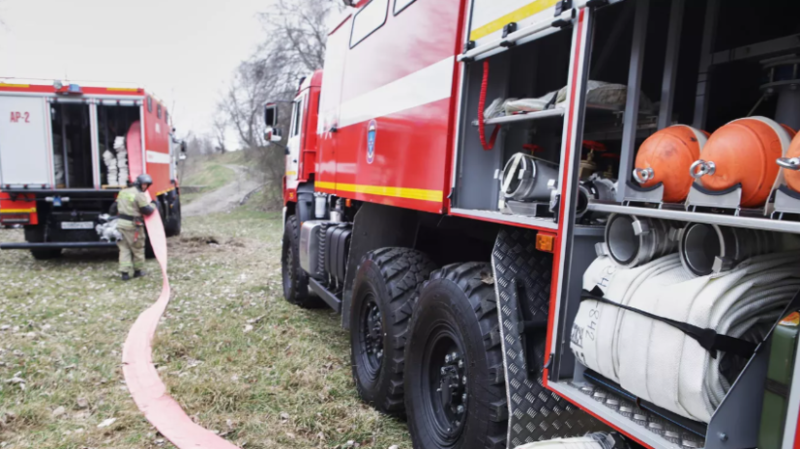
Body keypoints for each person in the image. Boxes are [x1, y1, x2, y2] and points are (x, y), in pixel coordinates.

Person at [110, 174, 156, 280]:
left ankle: (124, 274)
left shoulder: (123, 192)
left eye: (146, 185)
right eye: (144, 184)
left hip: (120, 225)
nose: (145, 187)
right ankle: (138, 271)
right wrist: (153, 204)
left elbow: (113, 208)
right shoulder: (139, 195)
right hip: (133, 226)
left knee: (124, 249)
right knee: (138, 249)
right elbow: (147, 211)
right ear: (139, 183)